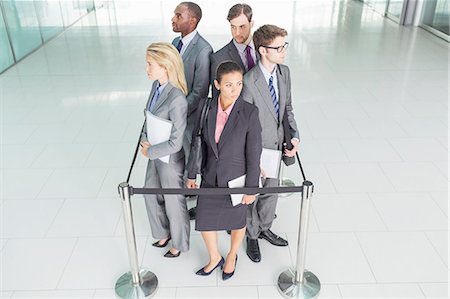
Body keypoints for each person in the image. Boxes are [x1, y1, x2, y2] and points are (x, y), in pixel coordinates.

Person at [186, 61, 262, 280]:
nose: (235, 89)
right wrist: (192, 174)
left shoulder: (249, 112)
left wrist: (251, 188)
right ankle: (214, 257)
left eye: (238, 84)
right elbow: (196, 142)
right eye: (229, 85)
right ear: (217, 84)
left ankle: (231, 255)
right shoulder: (206, 107)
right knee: (204, 218)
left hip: (236, 179)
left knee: (238, 220)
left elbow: (254, 153)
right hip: (210, 175)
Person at [241, 25, 300, 263]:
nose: (284, 51)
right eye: (279, 47)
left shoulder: (284, 73)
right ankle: (252, 234)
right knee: (252, 193)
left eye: (284, 45)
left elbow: (287, 109)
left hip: (277, 145)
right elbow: (245, 125)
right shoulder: (248, 81)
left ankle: (265, 227)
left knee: (272, 190)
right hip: (256, 148)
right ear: (263, 50)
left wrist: (294, 136)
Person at [140, 42, 190, 258]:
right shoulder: (156, 87)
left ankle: (179, 243)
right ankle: (162, 232)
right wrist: (144, 138)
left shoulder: (177, 98)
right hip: (154, 150)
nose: (147, 69)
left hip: (168, 158)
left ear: (165, 66)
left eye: (150, 64)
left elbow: (176, 142)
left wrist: (150, 152)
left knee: (173, 201)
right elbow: (148, 116)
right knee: (149, 192)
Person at [171, 1, 213, 220]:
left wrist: (179, 111)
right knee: (178, 151)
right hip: (175, 111)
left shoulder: (204, 49)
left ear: (192, 20)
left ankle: (197, 192)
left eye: (178, 16)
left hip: (191, 114)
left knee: (194, 153)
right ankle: (186, 188)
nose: (173, 19)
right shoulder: (174, 43)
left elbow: (200, 90)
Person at [210, 3, 257, 98]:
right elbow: (217, 99)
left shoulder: (264, 49)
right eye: (233, 27)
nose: (237, 32)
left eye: (242, 26)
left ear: (251, 24)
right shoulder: (218, 58)